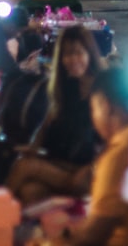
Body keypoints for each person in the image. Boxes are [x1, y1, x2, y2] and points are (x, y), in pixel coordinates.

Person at [54, 69, 128, 246]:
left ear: (105, 105)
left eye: (93, 109)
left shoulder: (121, 153)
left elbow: (93, 236)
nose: (94, 119)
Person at [7, 26, 106, 205]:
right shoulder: (67, 88)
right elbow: (47, 122)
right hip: (63, 167)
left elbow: (113, 139)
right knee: (29, 191)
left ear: (89, 54)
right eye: (67, 54)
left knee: (24, 166)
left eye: (78, 53)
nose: (72, 59)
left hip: (89, 173)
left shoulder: (101, 90)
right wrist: (33, 147)